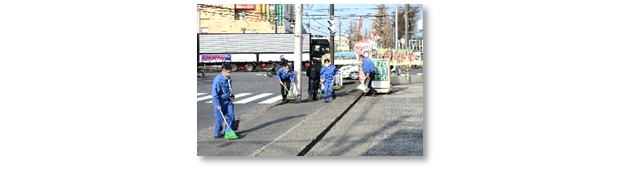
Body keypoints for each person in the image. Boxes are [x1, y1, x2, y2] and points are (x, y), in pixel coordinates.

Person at [211, 64, 236, 139]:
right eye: (228, 72)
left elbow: (228, 88)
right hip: (220, 101)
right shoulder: (218, 80)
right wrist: (217, 104)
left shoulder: (228, 78)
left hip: (228, 100)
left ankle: (228, 131)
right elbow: (215, 94)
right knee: (219, 119)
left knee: (231, 115)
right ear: (223, 71)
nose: (229, 73)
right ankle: (217, 134)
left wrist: (231, 94)